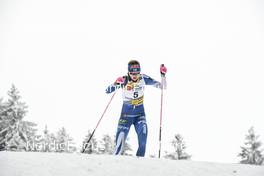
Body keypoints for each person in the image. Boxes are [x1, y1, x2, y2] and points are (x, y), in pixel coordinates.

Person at [105, 60, 167, 157]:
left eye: (137, 73)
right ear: (128, 72)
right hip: (126, 116)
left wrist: (163, 75)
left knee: (143, 141)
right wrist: (116, 83)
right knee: (119, 145)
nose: (135, 75)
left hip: (140, 115)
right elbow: (107, 91)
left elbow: (163, 87)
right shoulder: (124, 79)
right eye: (132, 73)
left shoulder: (143, 78)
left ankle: (139, 165)